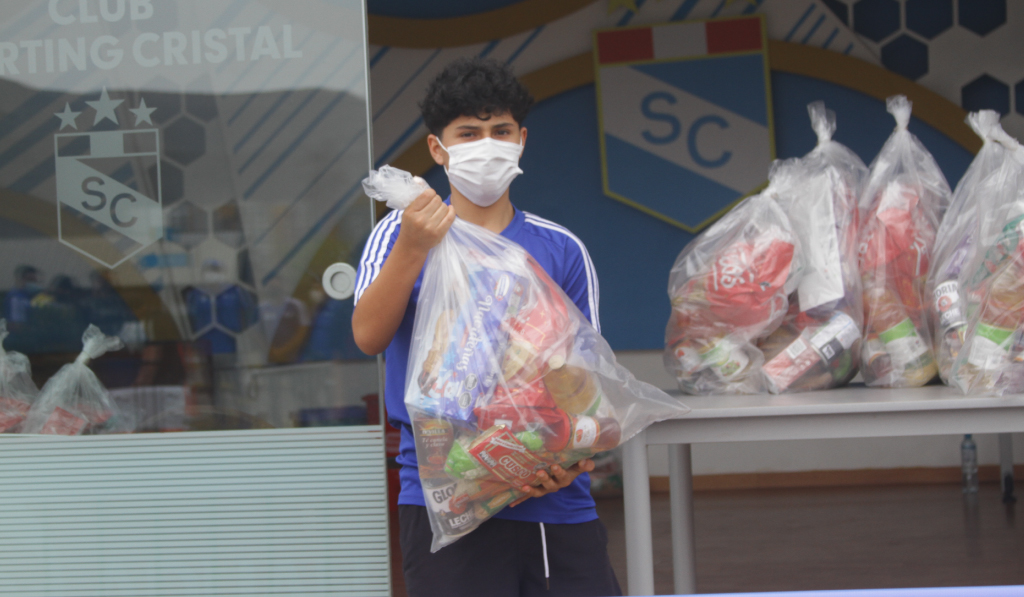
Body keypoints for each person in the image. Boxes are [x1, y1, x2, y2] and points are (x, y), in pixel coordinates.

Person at [352, 58, 620, 597]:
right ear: (438, 149)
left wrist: (571, 461)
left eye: (500, 131)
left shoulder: (560, 247)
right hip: (444, 495)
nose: (487, 145)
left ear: (521, 140)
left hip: (553, 498)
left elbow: (584, 378)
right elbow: (368, 336)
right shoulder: (400, 234)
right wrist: (414, 246)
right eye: (468, 134)